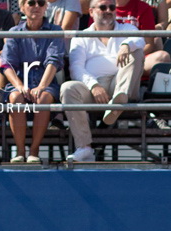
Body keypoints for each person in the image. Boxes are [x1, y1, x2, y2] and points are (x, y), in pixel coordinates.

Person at [60, 1, 144, 163]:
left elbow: (140, 39)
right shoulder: (81, 36)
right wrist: (94, 86)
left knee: (136, 52)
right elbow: (76, 68)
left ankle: (118, 101)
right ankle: (84, 148)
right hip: (93, 89)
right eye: (103, 7)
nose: (108, 11)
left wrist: (127, 44)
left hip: (120, 85)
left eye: (112, 8)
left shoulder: (126, 29)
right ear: (91, 12)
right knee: (67, 88)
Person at [1, 0, 63, 163]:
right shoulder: (14, 31)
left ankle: (34, 151)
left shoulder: (55, 30)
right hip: (19, 80)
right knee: (15, 98)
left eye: (41, 3)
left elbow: (53, 61)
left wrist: (42, 86)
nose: (36, 6)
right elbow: (7, 64)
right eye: (31, 2)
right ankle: (20, 152)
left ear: (45, 8)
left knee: (43, 99)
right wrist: (20, 86)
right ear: (22, 7)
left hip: (46, 81)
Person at [112, 0, 171, 80]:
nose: (107, 9)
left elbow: (149, 44)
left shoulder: (143, 7)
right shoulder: (102, 7)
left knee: (163, 57)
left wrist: (128, 56)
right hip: (108, 58)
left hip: (135, 56)